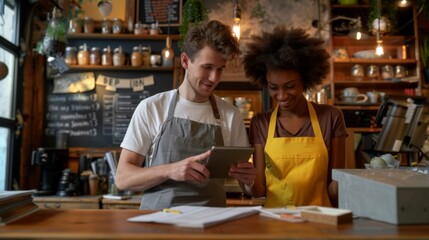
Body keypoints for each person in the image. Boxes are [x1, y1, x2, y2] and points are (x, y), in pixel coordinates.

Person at [115, 20, 256, 210]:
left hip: (211, 226)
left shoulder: (231, 115)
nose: (214, 78)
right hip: (159, 225)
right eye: (207, 67)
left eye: (220, 69)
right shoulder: (152, 108)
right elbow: (123, 178)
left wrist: (249, 181)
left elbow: (247, 188)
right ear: (185, 61)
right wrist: (170, 170)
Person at [242, 26, 347, 208]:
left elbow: (335, 186)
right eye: (274, 88)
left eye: (290, 86)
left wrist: (359, 183)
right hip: (275, 224)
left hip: (320, 221)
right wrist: (248, 180)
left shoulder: (330, 117)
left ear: (305, 80)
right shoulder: (261, 123)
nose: (281, 96)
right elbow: (259, 191)